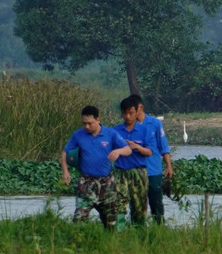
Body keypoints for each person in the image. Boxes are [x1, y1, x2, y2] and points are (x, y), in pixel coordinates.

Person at [61, 105, 132, 230]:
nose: (87, 127)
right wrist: (65, 172)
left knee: (110, 220)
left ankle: (111, 242)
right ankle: (78, 242)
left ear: (98, 119)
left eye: (90, 123)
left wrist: (119, 151)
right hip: (86, 182)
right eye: (84, 124)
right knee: (79, 218)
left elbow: (128, 150)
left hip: (107, 182)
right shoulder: (78, 135)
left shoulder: (110, 134)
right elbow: (65, 152)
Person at [131, 94, 174, 224]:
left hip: (153, 170)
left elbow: (163, 146)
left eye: (134, 110)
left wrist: (168, 165)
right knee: (137, 204)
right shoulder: (129, 125)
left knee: (156, 203)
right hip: (136, 171)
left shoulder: (155, 123)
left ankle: (159, 227)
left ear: (141, 107)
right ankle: (137, 230)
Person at [113, 96, 154, 226]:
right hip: (120, 172)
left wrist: (137, 147)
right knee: (119, 204)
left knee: (139, 205)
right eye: (125, 113)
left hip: (139, 172)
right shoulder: (115, 131)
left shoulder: (144, 130)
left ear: (137, 112)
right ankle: (120, 231)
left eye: (131, 113)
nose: (128, 116)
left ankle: (140, 232)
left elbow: (149, 152)